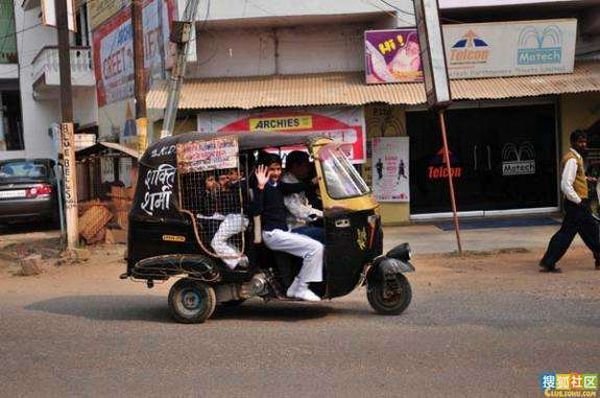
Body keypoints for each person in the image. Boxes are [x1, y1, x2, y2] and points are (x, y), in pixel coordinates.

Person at [252, 153, 323, 301]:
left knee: (310, 251)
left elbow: (296, 187)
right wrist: (260, 186)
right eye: (273, 169)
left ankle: (293, 288)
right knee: (315, 248)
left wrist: (314, 181)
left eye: (279, 169)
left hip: (283, 232)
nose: (277, 173)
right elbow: (256, 210)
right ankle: (301, 289)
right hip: (272, 233)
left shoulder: (279, 185)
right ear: (264, 170)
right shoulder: (263, 187)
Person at [539, 130, 600, 272]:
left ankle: (549, 261)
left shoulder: (577, 158)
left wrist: (586, 179)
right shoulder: (572, 159)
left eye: (584, 141)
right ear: (573, 142)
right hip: (576, 204)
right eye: (580, 141)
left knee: (585, 229)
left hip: (576, 204)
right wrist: (579, 201)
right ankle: (549, 261)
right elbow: (565, 184)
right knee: (572, 233)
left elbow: (575, 178)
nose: (583, 144)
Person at [282, 151, 324, 243]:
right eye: (306, 166)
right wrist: (323, 214)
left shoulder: (297, 181)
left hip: (304, 225)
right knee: (325, 234)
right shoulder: (287, 182)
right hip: (293, 228)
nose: (308, 170)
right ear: (295, 166)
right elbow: (299, 212)